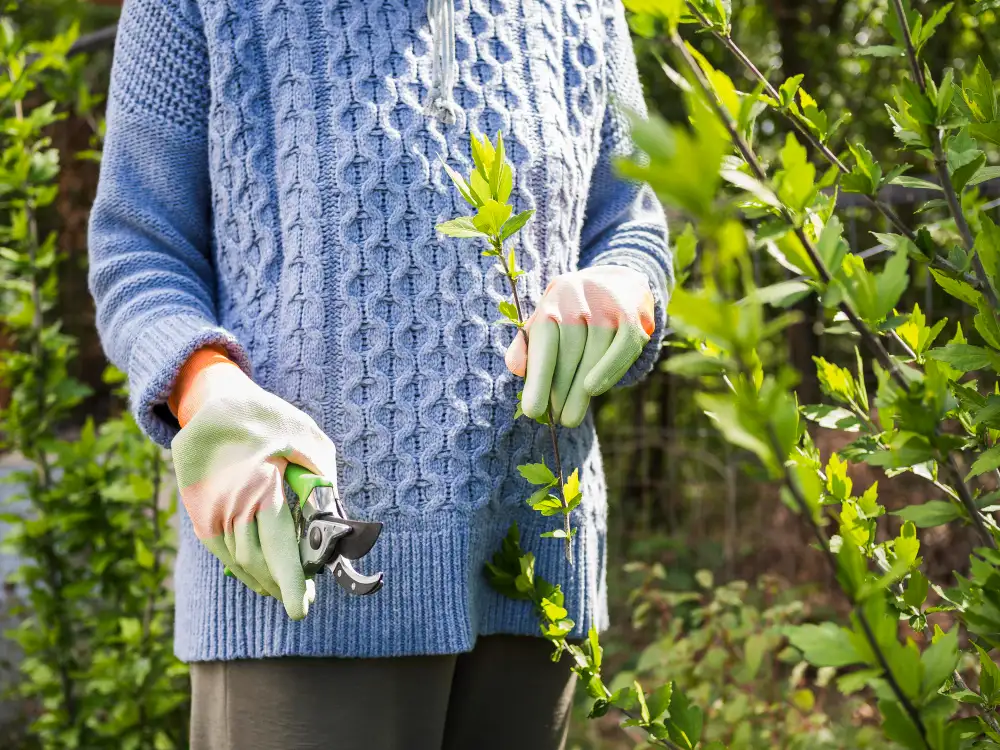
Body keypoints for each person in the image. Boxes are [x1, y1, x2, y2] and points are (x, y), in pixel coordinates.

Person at [87, 0, 672, 745]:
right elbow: (139, 248)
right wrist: (210, 392)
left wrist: (623, 290)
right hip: (301, 582)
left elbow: (631, 223)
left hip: (535, 575)